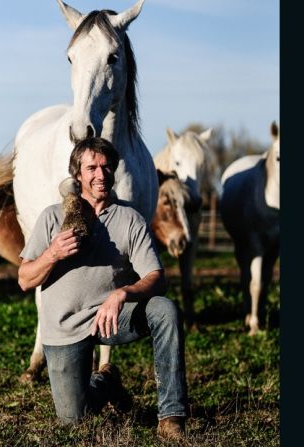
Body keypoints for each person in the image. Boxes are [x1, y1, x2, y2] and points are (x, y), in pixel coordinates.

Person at [17, 137, 189, 441]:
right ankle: (106, 381)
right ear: (77, 174)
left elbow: (157, 277)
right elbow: (25, 279)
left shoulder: (130, 218)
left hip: (112, 317)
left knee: (165, 310)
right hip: (65, 326)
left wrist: (124, 293)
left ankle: (171, 415)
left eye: (107, 166)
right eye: (92, 167)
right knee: (74, 421)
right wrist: (52, 254)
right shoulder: (52, 217)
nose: (101, 174)